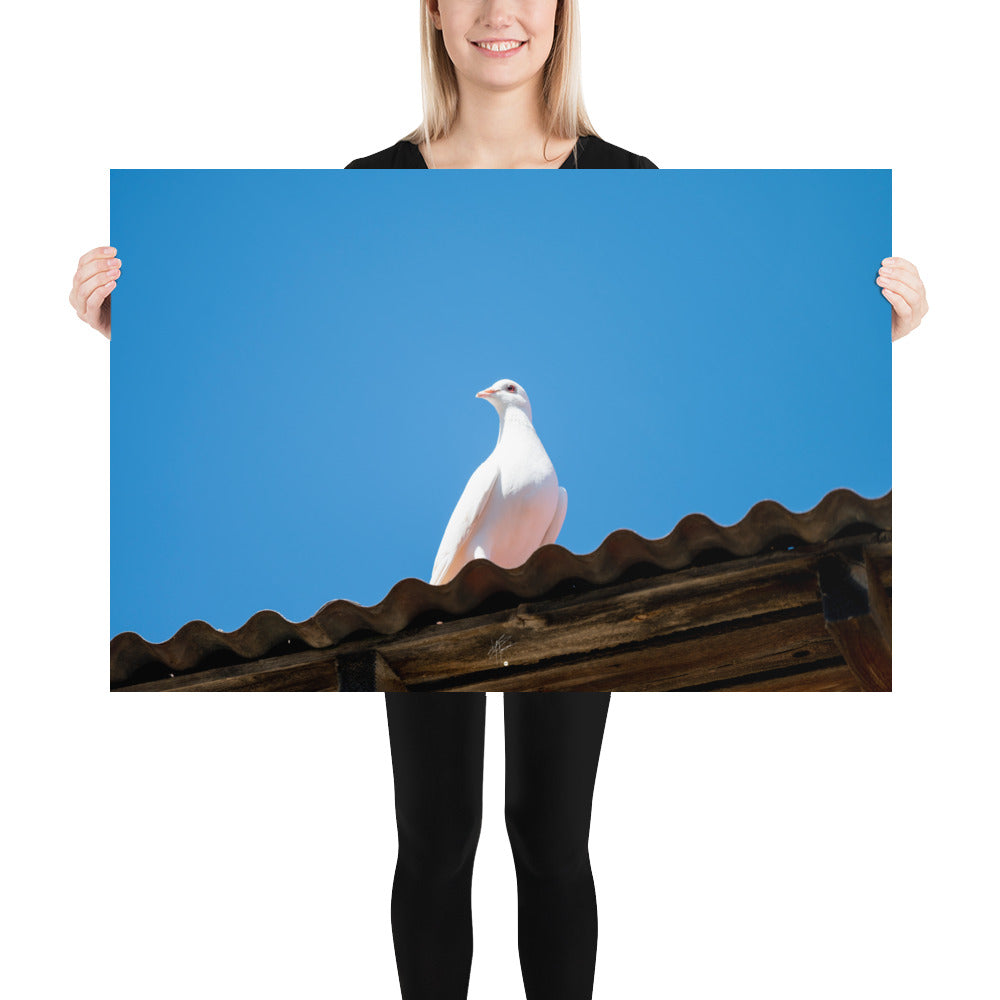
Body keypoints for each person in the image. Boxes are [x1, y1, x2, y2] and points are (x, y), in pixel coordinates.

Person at [70, 3, 927, 998]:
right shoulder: (370, 189)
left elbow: (786, 328)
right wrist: (134, 328)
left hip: (551, 599)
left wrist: (876, 332)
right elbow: (262, 364)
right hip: (451, 602)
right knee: (436, 839)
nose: (497, 13)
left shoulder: (625, 186)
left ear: (564, 15)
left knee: (553, 836)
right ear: (430, 14)